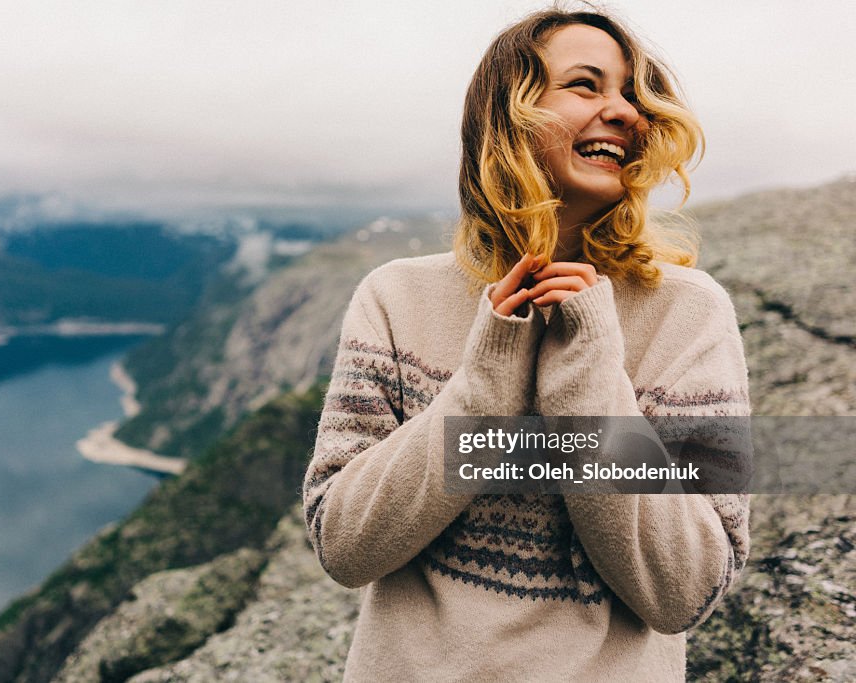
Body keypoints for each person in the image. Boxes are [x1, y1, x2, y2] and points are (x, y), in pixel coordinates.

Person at [302, 8, 750, 683]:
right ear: (508, 120)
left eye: (632, 92)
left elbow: (685, 591)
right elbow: (344, 543)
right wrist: (483, 386)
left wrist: (591, 374)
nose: (624, 112)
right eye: (585, 85)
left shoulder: (687, 314)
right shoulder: (395, 298)